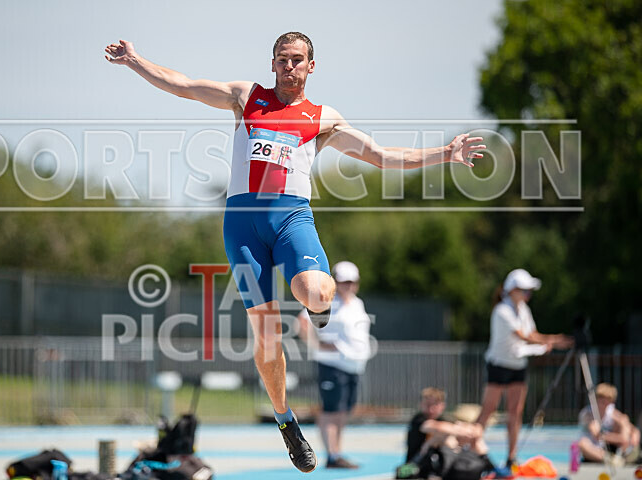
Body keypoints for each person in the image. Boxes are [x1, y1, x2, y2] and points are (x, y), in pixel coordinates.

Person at [105, 32, 486, 473]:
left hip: (291, 219)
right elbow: (184, 84)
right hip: (242, 227)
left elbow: (381, 156)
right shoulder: (245, 98)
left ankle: (317, 309)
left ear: (311, 66)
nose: (289, 67)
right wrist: (136, 61)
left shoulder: (323, 119)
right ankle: (286, 421)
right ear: (273, 64)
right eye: (282, 60)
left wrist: (446, 152)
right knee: (267, 337)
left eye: (298, 60)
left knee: (318, 292)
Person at [475, 268, 573, 469]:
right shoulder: (502, 310)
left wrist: (548, 342)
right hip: (499, 365)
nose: (528, 295)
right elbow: (523, 335)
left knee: (515, 412)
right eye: (524, 290)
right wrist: (556, 340)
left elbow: (533, 333)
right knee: (488, 410)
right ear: (513, 290)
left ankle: (511, 456)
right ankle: (469, 449)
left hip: (517, 365)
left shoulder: (523, 310)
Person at [297, 261, 372, 469]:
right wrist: (317, 345)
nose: (347, 286)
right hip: (332, 364)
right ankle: (332, 454)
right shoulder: (325, 301)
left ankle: (337, 451)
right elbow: (302, 322)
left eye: (351, 282)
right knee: (331, 411)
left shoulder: (357, 303)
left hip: (353, 365)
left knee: (343, 411)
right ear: (335, 282)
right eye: (343, 282)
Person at [400, 388, 508, 479]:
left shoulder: (444, 419)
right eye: (427, 404)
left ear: (442, 406)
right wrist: (460, 430)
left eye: (435, 405)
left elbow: (477, 429)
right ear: (421, 404)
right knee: (441, 436)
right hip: (416, 464)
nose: (431, 409)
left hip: (439, 461)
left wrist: (467, 431)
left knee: (466, 436)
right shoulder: (419, 420)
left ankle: (490, 467)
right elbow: (433, 426)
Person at [577, 383, 641, 464]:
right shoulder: (588, 414)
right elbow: (596, 436)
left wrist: (634, 432)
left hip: (608, 445)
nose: (603, 404)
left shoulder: (612, 412)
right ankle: (610, 459)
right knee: (582, 443)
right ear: (595, 399)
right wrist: (621, 438)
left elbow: (630, 428)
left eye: (607, 401)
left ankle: (622, 455)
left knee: (623, 424)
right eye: (601, 400)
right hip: (594, 448)